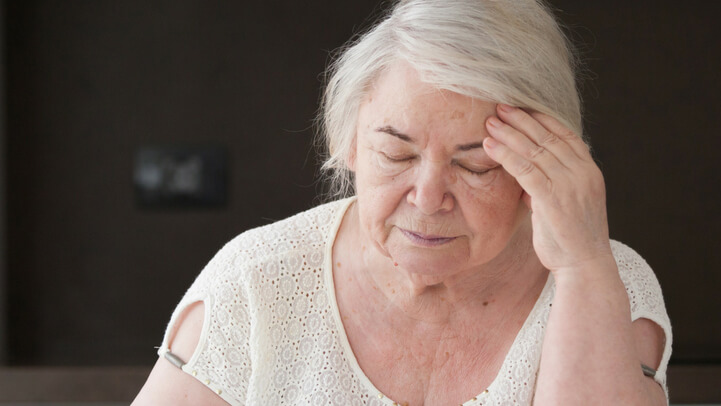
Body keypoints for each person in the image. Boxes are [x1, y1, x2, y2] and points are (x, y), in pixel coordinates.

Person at [133, 0, 672, 404]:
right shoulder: (256, 280)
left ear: (543, 167)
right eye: (395, 153)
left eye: (474, 164)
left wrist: (582, 266)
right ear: (347, 144)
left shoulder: (607, 282)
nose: (428, 196)